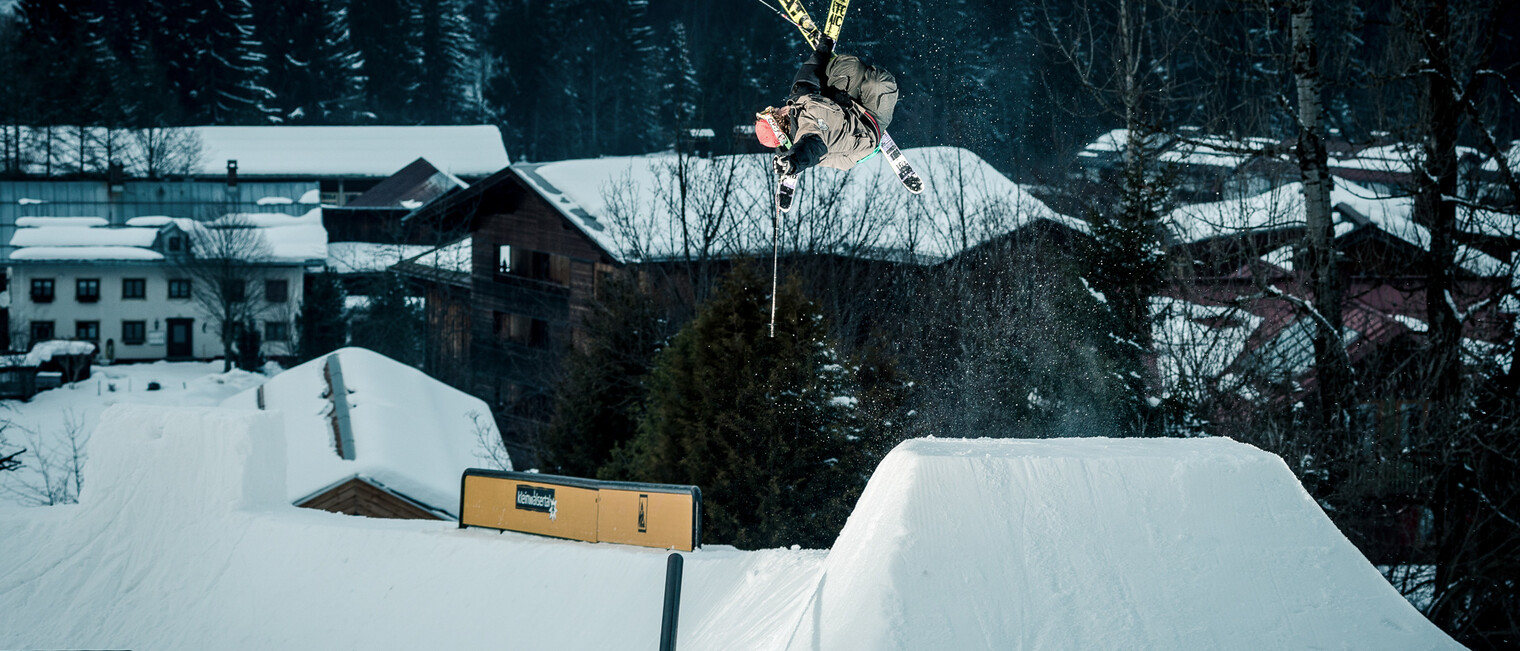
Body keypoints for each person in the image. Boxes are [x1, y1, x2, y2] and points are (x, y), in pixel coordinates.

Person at [755, 36, 899, 176]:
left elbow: (805, 78)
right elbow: (812, 147)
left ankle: (847, 84)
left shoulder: (796, 104)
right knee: (880, 82)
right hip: (868, 125)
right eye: (776, 112)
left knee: (849, 66)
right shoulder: (806, 131)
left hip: (846, 108)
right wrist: (793, 162)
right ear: (780, 123)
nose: (779, 108)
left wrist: (822, 50)